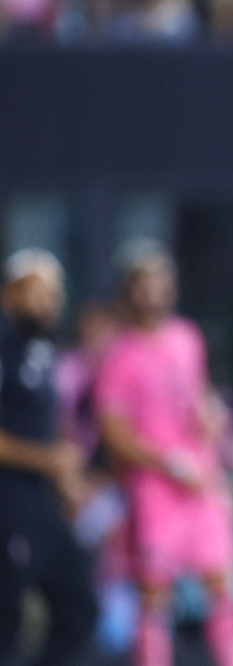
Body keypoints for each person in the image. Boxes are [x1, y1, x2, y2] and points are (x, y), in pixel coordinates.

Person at [93, 240, 233, 666]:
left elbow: (196, 397)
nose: (154, 293)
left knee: (224, 586)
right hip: (154, 489)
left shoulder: (187, 337)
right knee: (154, 596)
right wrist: (165, 462)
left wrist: (211, 416)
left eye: (161, 283)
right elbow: (112, 431)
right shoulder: (117, 354)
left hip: (200, 481)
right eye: (145, 284)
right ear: (129, 290)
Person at [0, 248, 98, 666]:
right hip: (8, 503)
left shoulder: (43, 351)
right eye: (36, 293)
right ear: (10, 294)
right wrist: (48, 460)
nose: (47, 304)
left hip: (41, 503)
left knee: (79, 610)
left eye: (53, 295)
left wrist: (68, 478)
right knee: (7, 621)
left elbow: (44, 423)